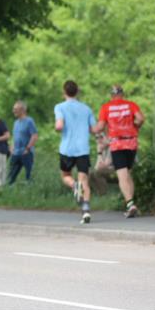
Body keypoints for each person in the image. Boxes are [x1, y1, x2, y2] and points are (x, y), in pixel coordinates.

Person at [93, 85, 144, 218]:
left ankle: (130, 204)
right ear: (123, 94)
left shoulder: (106, 107)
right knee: (128, 174)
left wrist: (91, 129)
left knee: (122, 175)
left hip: (117, 143)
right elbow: (140, 118)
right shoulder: (131, 105)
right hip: (131, 142)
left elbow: (100, 127)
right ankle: (131, 203)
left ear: (111, 95)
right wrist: (136, 127)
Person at [54, 80, 96, 224]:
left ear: (64, 92)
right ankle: (85, 212)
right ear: (77, 92)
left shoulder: (59, 107)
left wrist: (57, 127)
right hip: (83, 149)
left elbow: (59, 125)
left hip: (67, 149)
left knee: (66, 175)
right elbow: (94, 129)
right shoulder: (86, 109)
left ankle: (74, 185)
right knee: (84, 180)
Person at [8, 101, 38, 184]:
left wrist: (28, 148)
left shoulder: (29, 121)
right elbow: (15, 137)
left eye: (16, 109)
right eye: (13, 109)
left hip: (26, 153)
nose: (13, 111)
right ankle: (8, 193)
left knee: (29, 176)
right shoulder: (16, 123)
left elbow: (34, 136)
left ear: (23, 110)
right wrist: (11, 147)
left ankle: (31, 192)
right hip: (16, 153)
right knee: (10, 178)